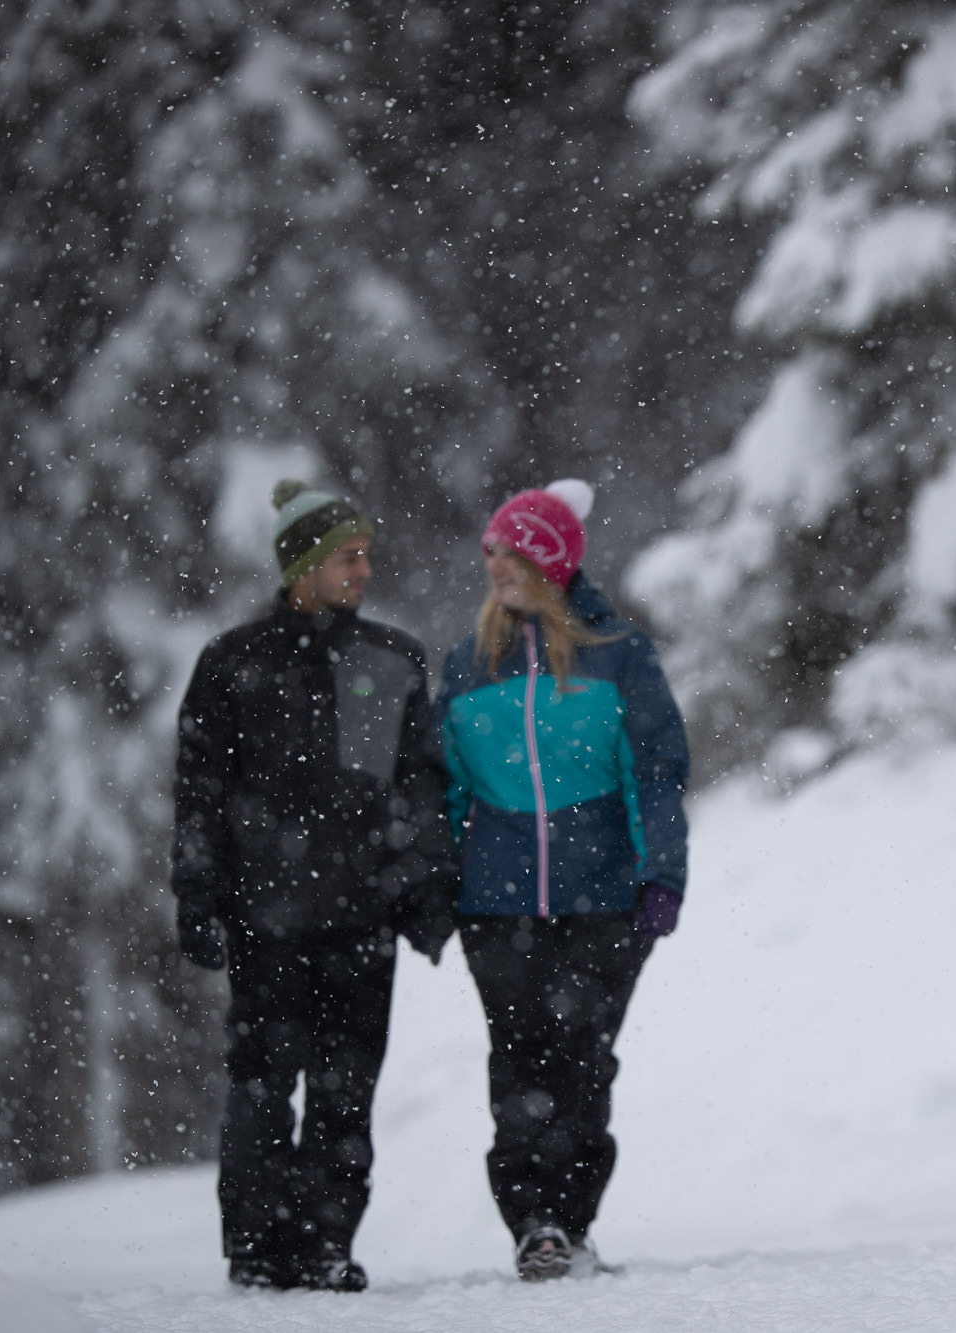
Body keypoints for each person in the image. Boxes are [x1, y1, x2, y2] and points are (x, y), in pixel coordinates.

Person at [171, 479, 458, 1292]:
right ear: (302, 566)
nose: (363, 570)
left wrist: (425, 887)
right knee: (263, 1085)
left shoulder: (394, 660)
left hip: (361, 920)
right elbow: (198, 791)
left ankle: (326, 1242)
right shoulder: (231, 663)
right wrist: (197, 894)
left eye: (366, 555)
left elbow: (420, 785)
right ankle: (258, 1248)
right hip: (264, 922)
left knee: (347, 1091)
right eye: (347, 557)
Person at [435, 478, 690, 1281]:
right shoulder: (469, 665)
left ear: (551, 562)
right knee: (519, 1061)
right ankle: (534, 1222)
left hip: (603, 896)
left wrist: (662, 873)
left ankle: (572, 1220)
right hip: (496, 902)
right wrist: (436, 881)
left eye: (511, 553)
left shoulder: (619, 655)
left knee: (583, 1060)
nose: (496, 566)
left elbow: (656, 771)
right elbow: (445, 789)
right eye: (491, 552)